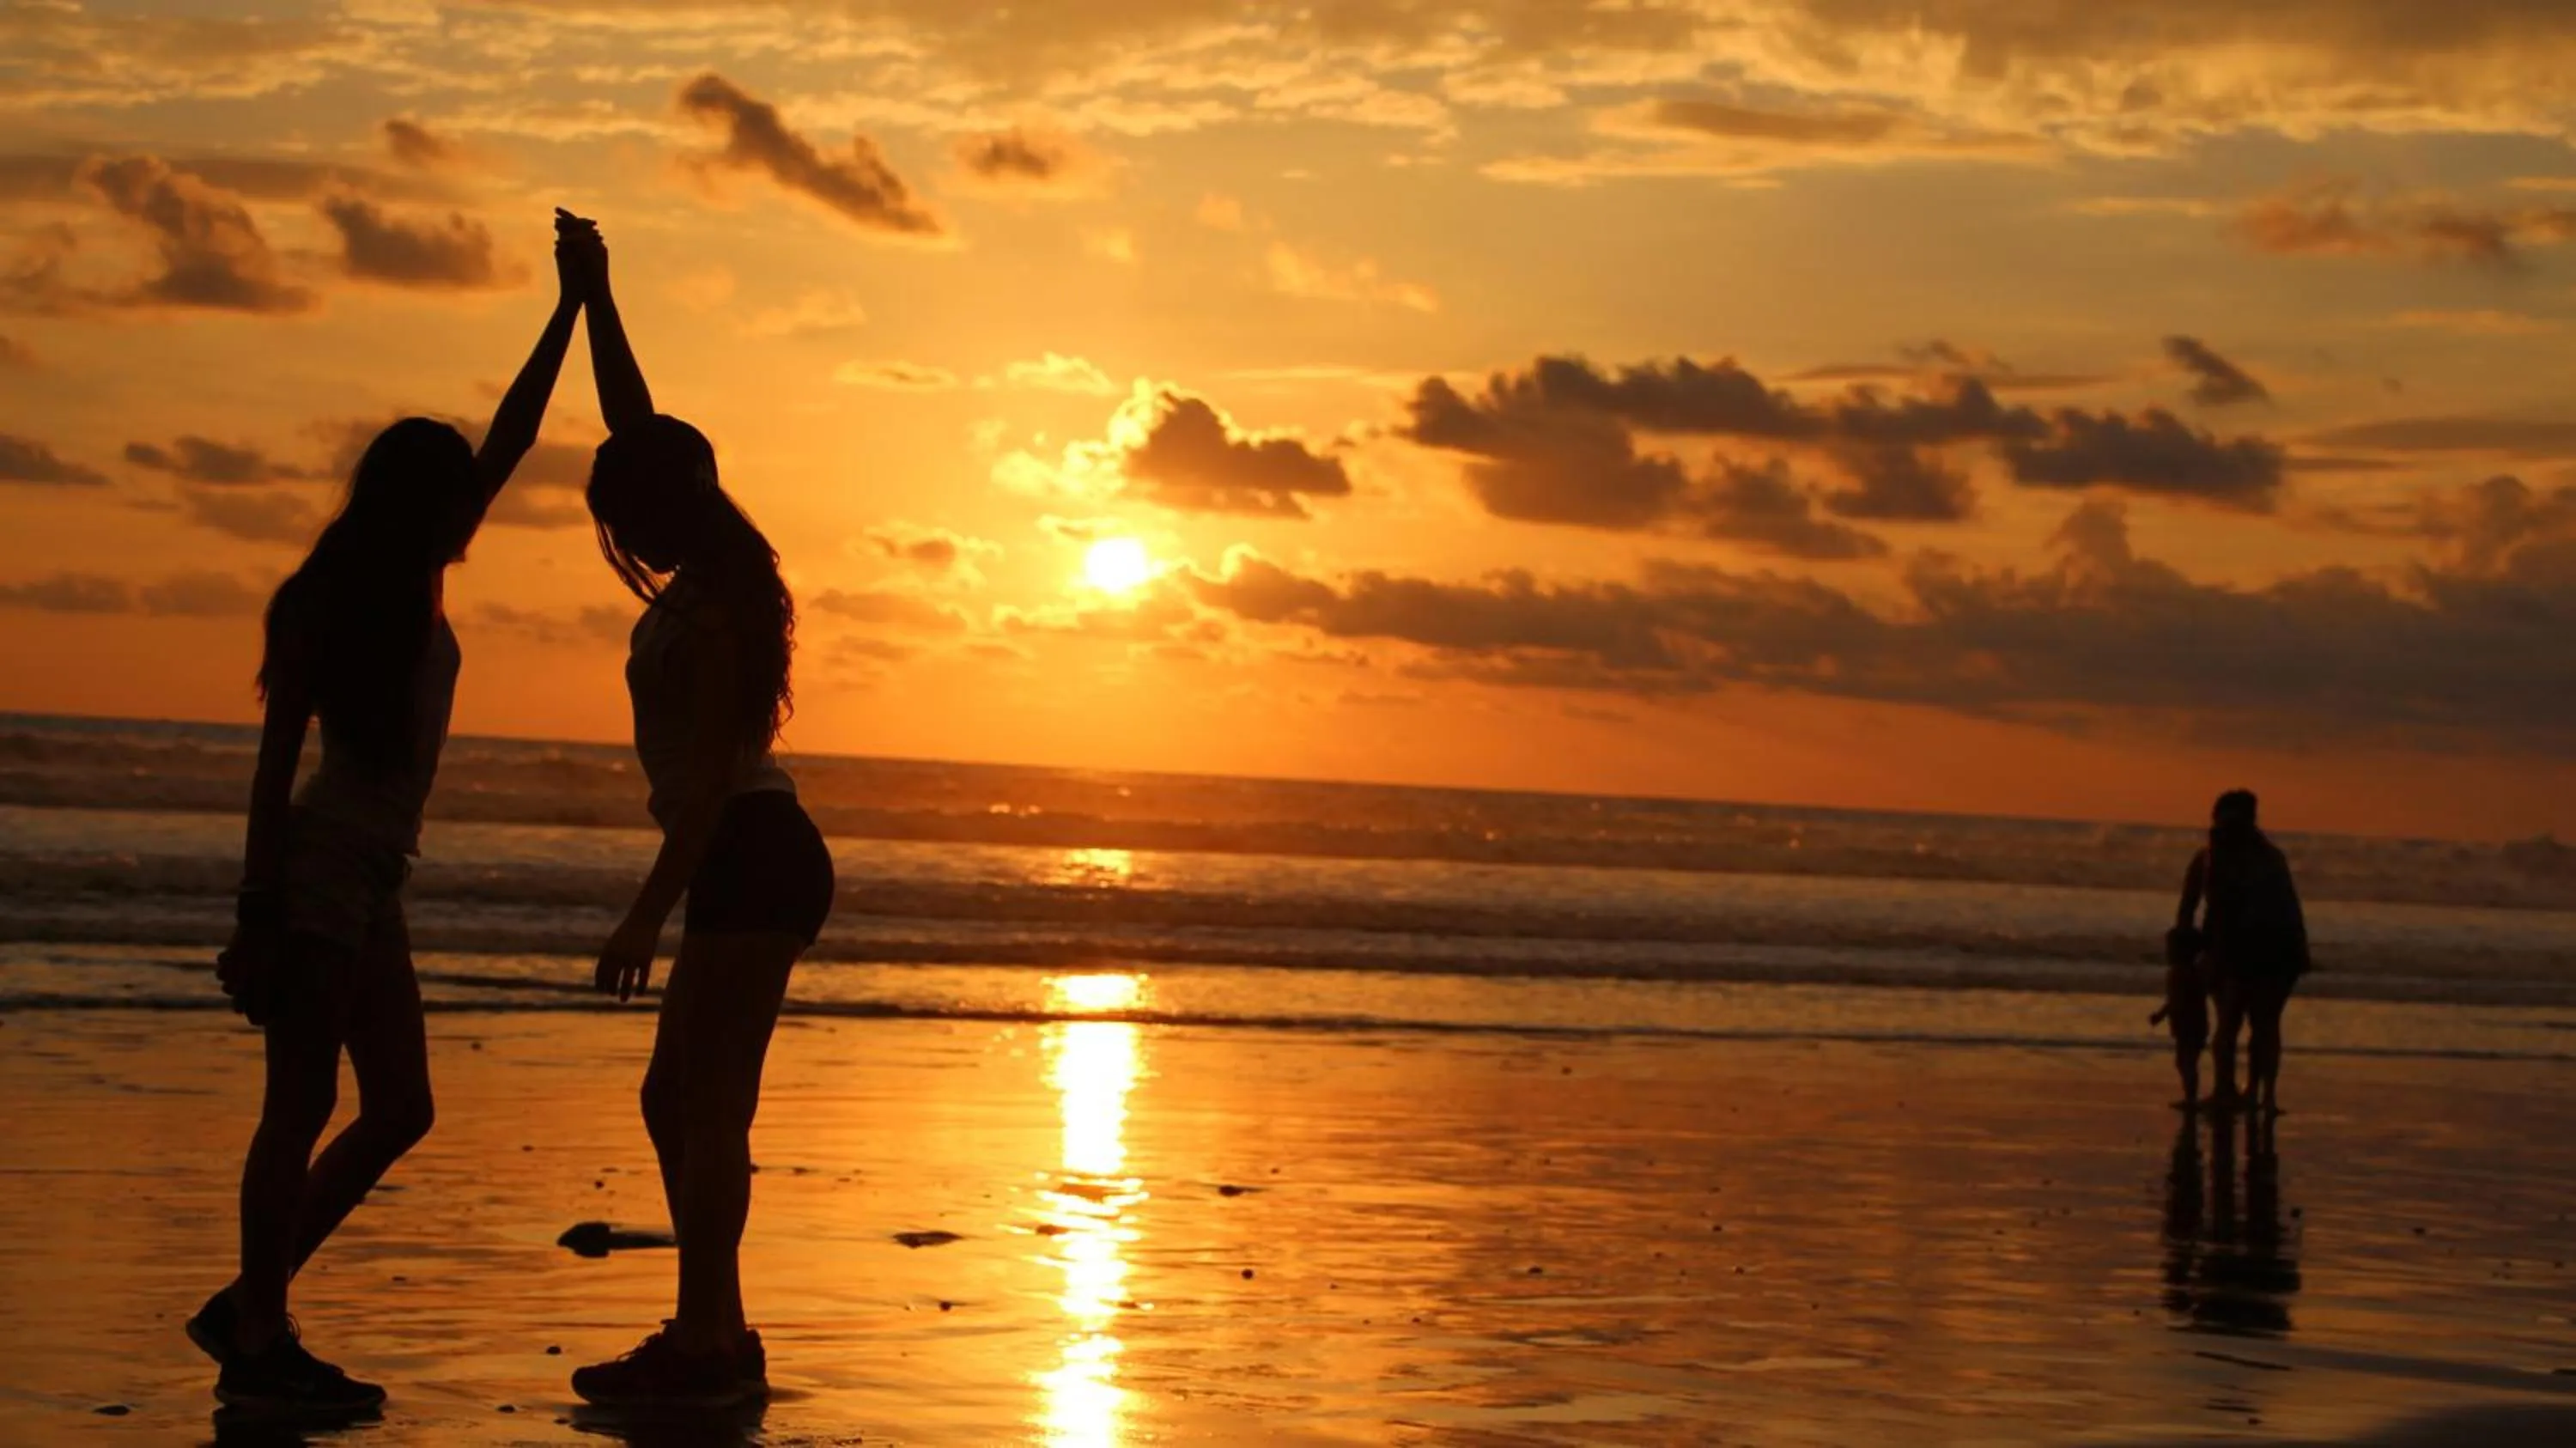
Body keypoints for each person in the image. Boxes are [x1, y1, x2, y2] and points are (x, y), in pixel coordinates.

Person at [187, 232, 585, 1410]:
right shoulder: (323, 601)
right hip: (317, 879)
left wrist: (568, 305)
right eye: (453, 492)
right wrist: (258, 910)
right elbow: (271, 773)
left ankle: (247, 1305)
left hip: (373, 881)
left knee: (401, 1104)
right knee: (299, 1105)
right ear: (420, 503)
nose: (473, 505)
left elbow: (511, 438)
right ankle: (261, 1338)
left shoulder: (419, 575)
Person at [555, 210, 836, 1409]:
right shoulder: (710, 561)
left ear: (667, 509)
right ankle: (714, 1330)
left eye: (631, 516)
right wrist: (592, 300)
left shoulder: (718, 604)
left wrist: (640, 920)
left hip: (751, 850)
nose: (624, 539)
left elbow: (716, 790)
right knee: (693, 1098)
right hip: (754, 852)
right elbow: (641, 428)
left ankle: (710, 1338)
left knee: (696, 1097)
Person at [2174, 790, 2309, 1116]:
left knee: (2242, 1023)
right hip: (2271, 952)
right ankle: (2254, 1095)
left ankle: (2242, 1092)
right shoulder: (2265, 858)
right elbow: (2189, 911)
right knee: (2253, 1024)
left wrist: (2195, 956)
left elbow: (2200, 912)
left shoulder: (2225, 858)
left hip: (2264, 952)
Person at [2150, 919, 2210, 1110]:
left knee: (2186, 1062)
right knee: (2186, 1061)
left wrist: (2161, 1015)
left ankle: (2191, 1098)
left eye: (2170, 949)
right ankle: (2190, 1096)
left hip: (2188, 1025)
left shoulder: (2181, 974)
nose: (2167, 952)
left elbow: (2176, 1000)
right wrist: (2161, 1015)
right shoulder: (2193, 973)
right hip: (2194, 1024)